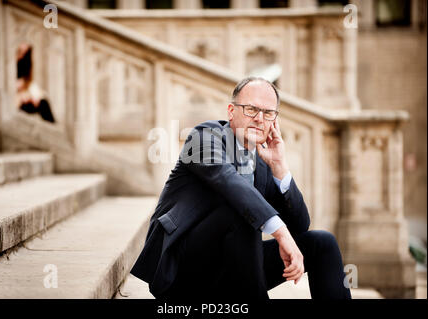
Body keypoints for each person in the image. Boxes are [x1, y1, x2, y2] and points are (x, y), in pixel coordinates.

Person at [131, 77, 351, 300]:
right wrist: (281, 233)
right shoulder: (204, 137)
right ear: (231, 111)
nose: (259, 119)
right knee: (242, 212)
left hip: (235, 269)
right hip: (183, 270)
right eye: (251, 109)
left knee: (322, 243)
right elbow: (226, 180)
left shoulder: (264, 160)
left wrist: (280, 168)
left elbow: (300, 225)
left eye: (268, 113)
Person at [16, 43, 55, 123]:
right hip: (14, 103)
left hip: (24, 99)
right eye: (20, 52)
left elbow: (29, 85)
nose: (22, 55)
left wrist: (34, 97)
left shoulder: (24, 70)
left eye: (25, 53)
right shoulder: (10, 66)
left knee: (43, 102)